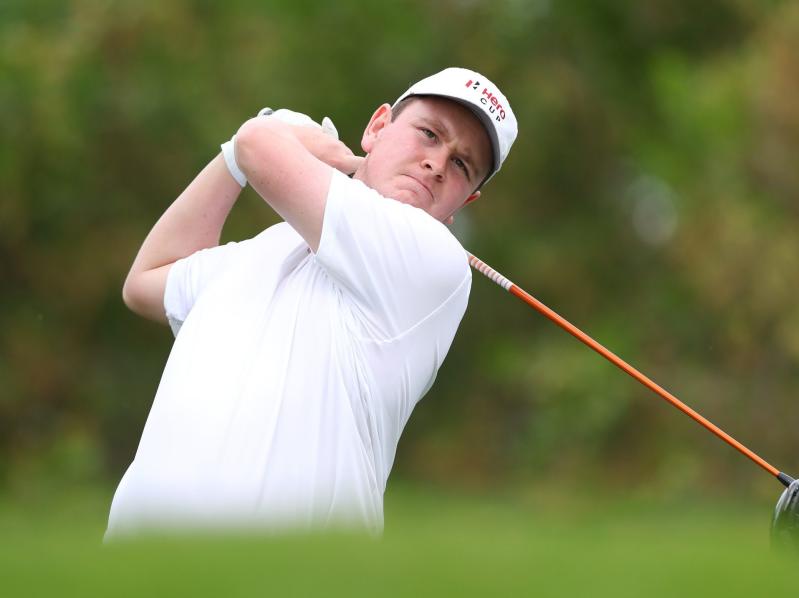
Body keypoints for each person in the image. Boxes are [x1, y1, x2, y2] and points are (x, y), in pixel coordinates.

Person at [107, 67, 518, 538]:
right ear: (377, 127)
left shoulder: (433, 260)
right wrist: (233, 158)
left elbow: (259, 145)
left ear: (467, 201)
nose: (438, 164)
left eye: (463, 164)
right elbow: (145, 282)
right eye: (428, 134)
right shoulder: (263, 251)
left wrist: (275, 133)